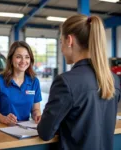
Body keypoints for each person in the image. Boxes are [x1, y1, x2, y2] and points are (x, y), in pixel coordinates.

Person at [37, 14, 121, 150]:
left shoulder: (65, 82)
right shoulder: (113, 80)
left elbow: (45, 133)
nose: (61, 48)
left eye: (60, 42)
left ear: (69, 40)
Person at [0, 41, 42, 125]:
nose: (23, 61)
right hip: (2, 129)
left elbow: (35, 109)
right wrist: (5, 119)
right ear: (11, 59)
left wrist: (37, 116)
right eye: (18, 57)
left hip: (25, 130)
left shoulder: (34, 82)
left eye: (27, 57)